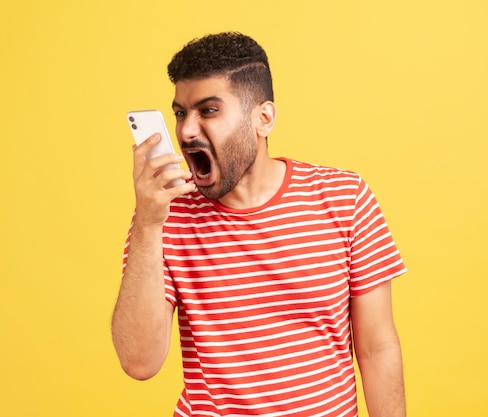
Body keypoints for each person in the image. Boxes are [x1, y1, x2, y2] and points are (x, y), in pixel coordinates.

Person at [112, 32, 407, 417]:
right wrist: (149, 225)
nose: (185, 131)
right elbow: (139, 363)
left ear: (263, 118)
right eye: (181, 113)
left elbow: (376, 347)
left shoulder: (344, 198)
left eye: (209, 110)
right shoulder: (167, 216)